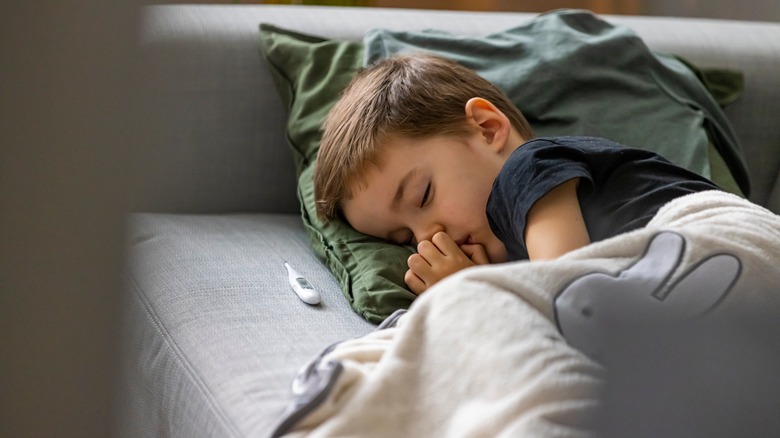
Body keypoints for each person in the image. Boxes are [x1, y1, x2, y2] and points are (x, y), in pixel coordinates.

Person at [314, 53, 721, 295]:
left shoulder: (527, 169)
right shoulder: (515, 241)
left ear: (488, 129)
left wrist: (470, 290)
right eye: (404, 239)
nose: (428, 239)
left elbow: (566, 293)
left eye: (423, 195)